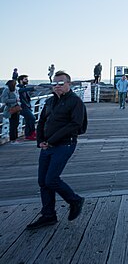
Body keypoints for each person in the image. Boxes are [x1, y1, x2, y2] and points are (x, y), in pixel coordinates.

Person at [25, 70, 85, 230]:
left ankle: (75, 200)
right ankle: (48, 215)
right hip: (47, 146)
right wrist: (40, 141)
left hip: (64, 144)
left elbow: (75, 124)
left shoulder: (75, 101)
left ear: (68, 84)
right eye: (54, 83)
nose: (57, 86)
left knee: (51, 179)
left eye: (61, 83)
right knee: (43, 181)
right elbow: (42, 121)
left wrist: (51, 141)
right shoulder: (50, 102)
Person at [17, 75, 37, 140]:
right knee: (32, 118)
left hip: (27, 106)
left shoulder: (24, 87)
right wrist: (32, 88)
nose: (27, 80)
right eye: (25, 79)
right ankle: (32, 133)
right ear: (21, 80)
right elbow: (20, 90)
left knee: (28, 120)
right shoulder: (18, 87)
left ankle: (28, 135)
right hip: (22, 107)